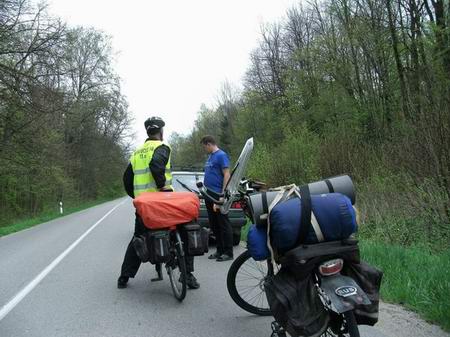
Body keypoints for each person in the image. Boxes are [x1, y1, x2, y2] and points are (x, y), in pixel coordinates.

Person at [118, 116, 200, 289]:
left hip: (144, 206)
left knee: (138, 238)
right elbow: (156, 165)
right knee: (184, 231)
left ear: (147, 131)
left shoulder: (136, 153)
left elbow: (126, 179)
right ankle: (188, 275)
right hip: (162, 204)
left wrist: (137, 197)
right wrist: (163, 187)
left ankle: (124, 277)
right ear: (161, 132)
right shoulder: (162, 147)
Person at [200, 135, 234, 262]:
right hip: (209, 194)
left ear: (209, 144)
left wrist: (222, 194)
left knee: (223, 223)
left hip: (218, 194)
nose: (204, 149)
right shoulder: (210, 157)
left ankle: (228, 252)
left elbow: (226, 174)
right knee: (214, 224)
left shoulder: (221, 155)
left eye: (204, 147)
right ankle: (219, 250)